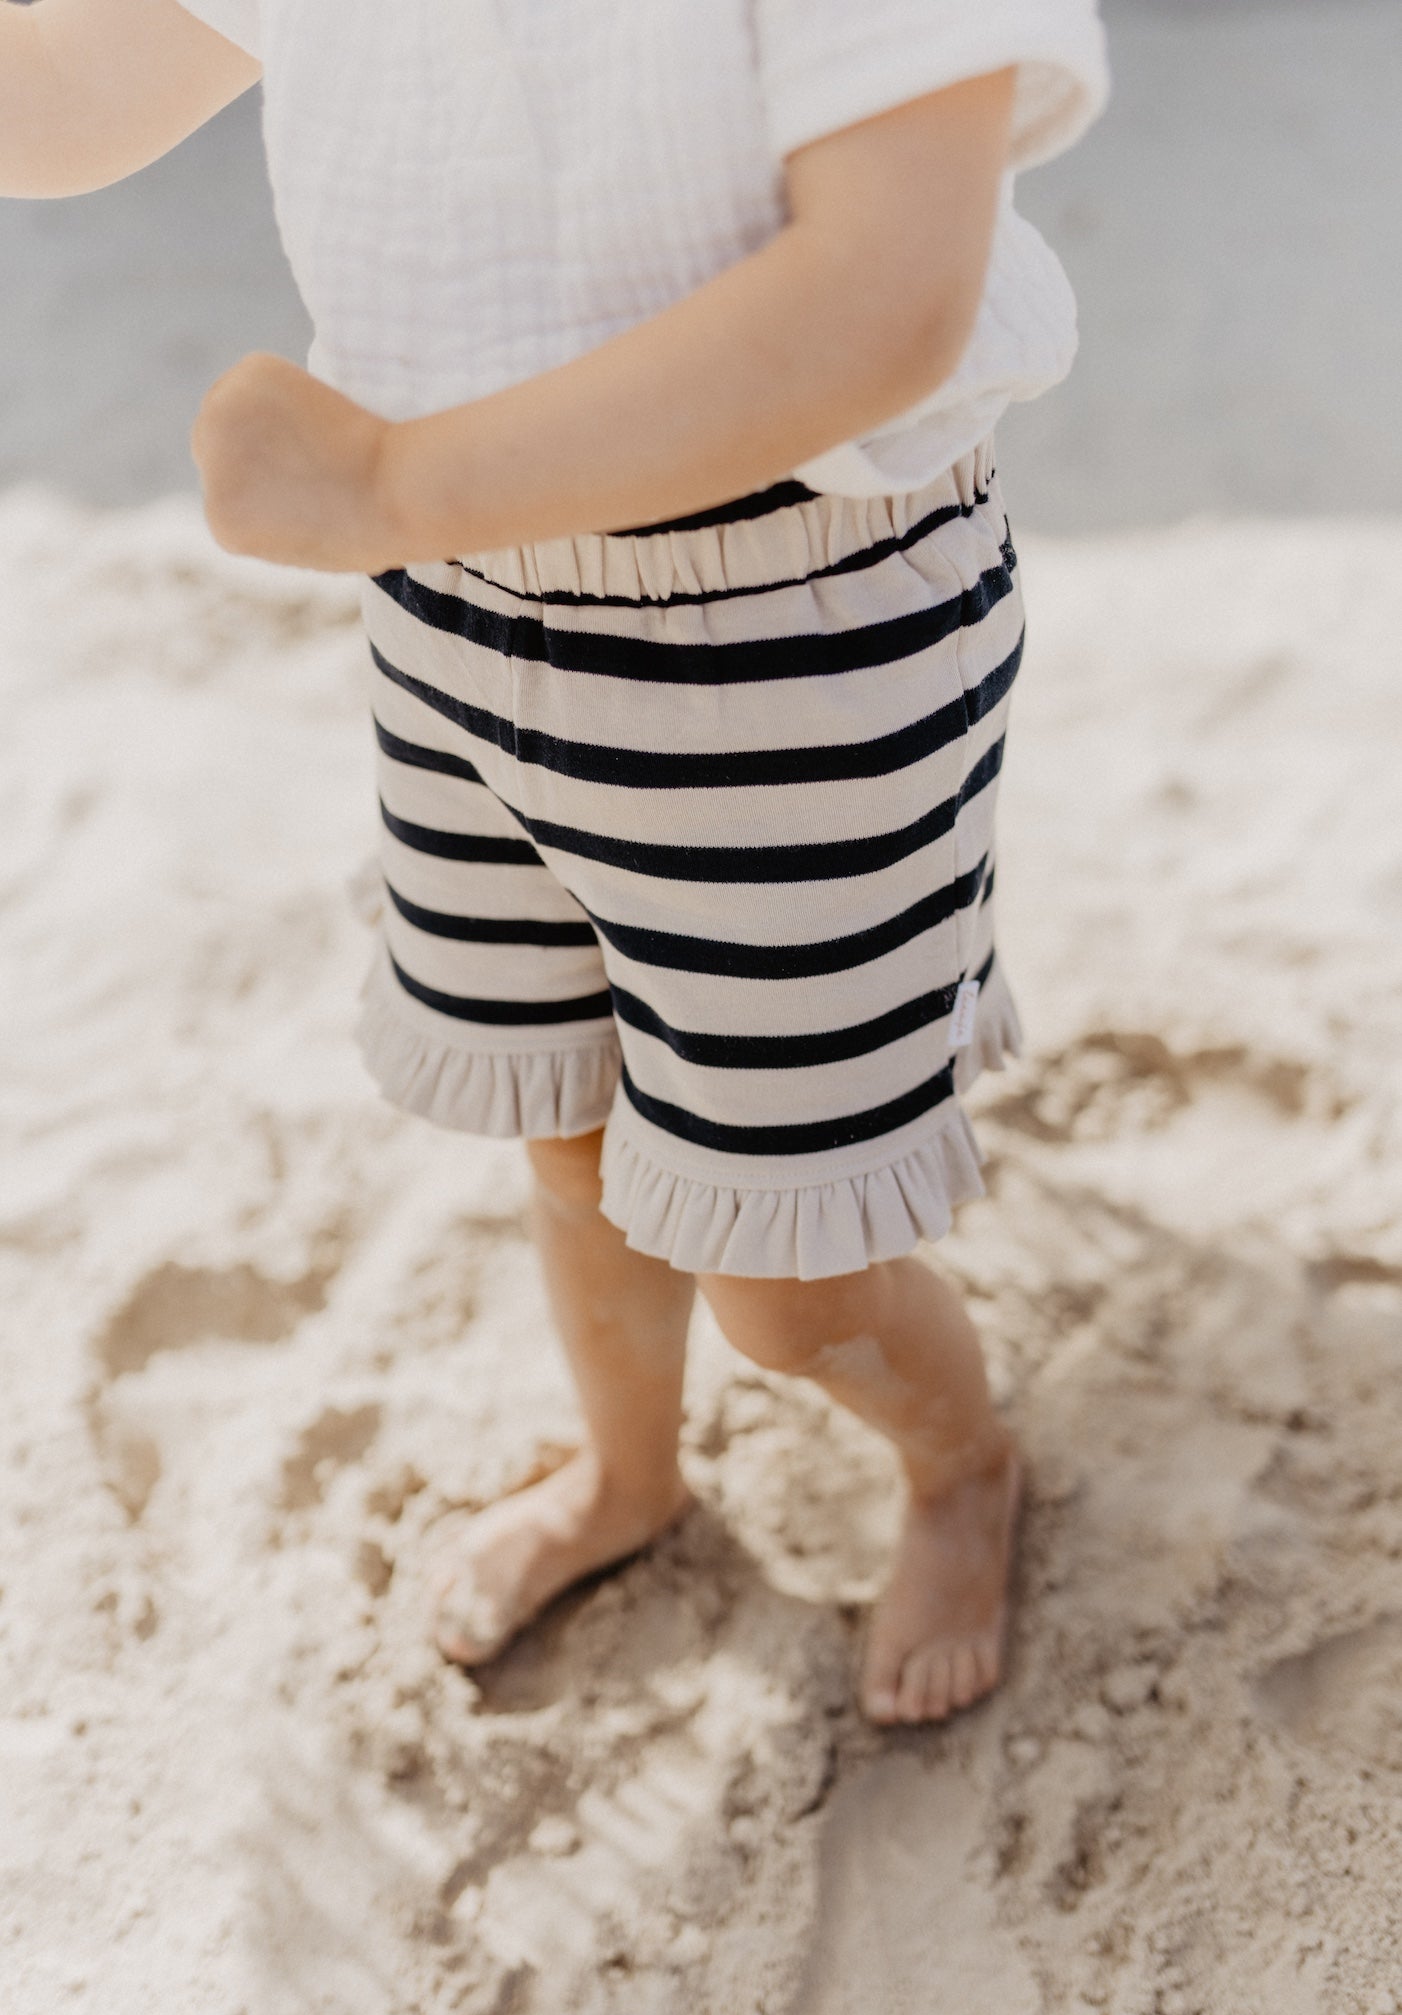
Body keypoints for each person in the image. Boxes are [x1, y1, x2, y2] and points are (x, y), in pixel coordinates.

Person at [2, 0, 1108, 1727]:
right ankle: (627, 1470)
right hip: (462, 610)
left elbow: (886, 296)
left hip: (786, 636)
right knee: (572, 1129)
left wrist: (383, 485)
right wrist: (406, 510)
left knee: (791, 1278)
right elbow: (66, 91)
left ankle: (960, 1461)